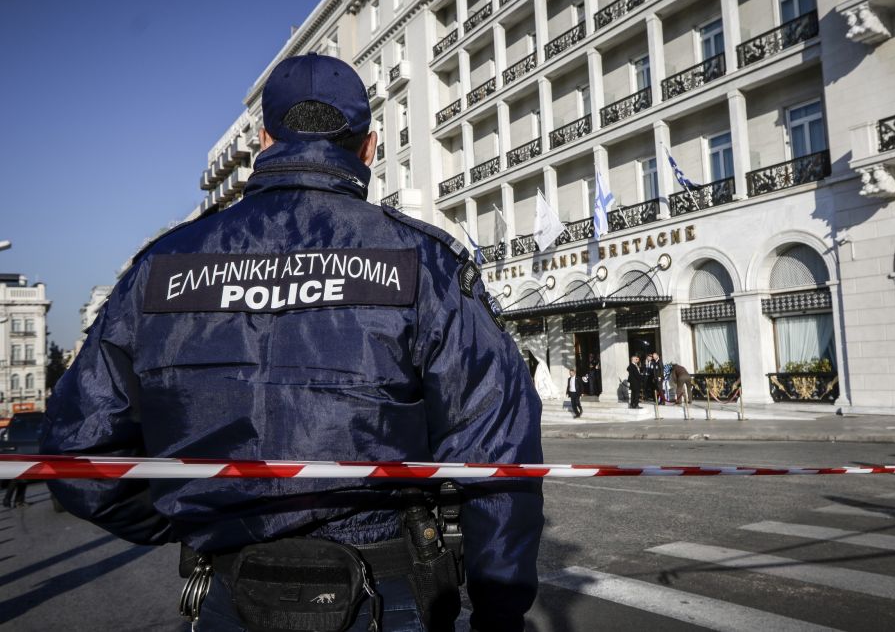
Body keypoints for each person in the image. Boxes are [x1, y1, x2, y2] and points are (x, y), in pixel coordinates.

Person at [41, 52, 544, 632]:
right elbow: (498, 448)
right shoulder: (423, 263)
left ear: (263, 140)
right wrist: (500, 613)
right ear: (370, 148)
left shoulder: (164, 265)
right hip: (388, 589)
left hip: (231, 588)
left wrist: (190, 518)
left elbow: (77, 453)